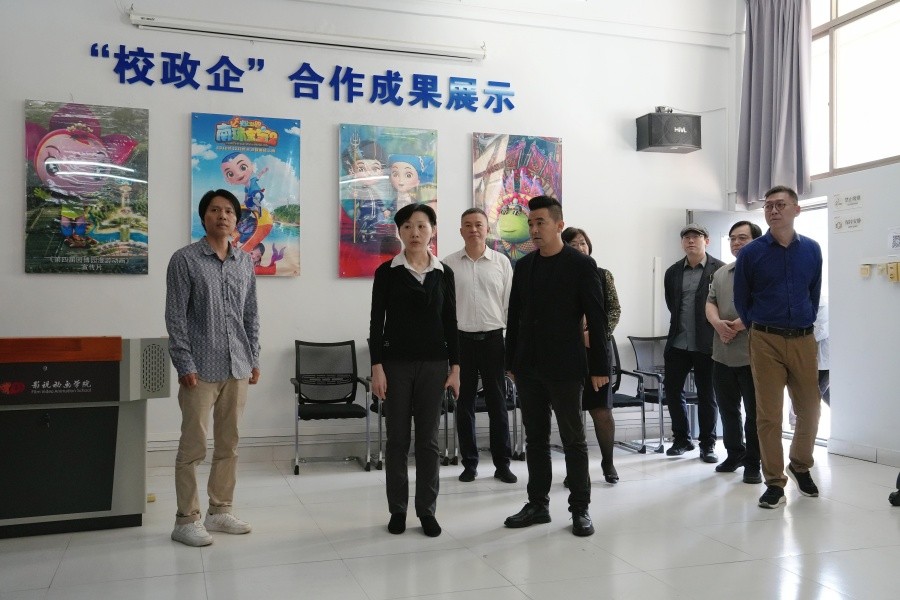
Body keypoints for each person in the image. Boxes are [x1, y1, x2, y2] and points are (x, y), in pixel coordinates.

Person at [503, 196, 609, 537]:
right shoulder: (524, 266)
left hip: (566, 366)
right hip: (529, 366)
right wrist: (510, 361)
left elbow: (597, 318)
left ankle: (580, 508)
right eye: (530, 224)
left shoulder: (581, 265)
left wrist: (600, 366)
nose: (534, 229)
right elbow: (515, 317)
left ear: (559, 225)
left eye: (541, 223)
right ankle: (538, 504)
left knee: (573, 439)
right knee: (535, 439)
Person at [165, 189, 260, 547]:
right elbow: (175, 316)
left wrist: (253, 358)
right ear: (203, 216)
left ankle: (219, 510)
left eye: (229, 211)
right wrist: (183, 362)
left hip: (237, 365)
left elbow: (251, 314)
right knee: (193, 447)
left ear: (237, 220)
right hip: (199, 369)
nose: (223, 216)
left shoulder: (244, 261)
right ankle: (185, 519)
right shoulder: (185, 260)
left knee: (228, 444)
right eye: (215, 210)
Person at [369, 203, 461, 537]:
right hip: (395, 366)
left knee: (428, 441)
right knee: (397, 439)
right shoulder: (387, 272)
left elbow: (450, 322)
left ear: (432, 230)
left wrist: (456, 367)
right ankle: (398, 509)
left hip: (434, 365)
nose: (415, 232)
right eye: (407, 226)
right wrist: (377, 367)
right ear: (399, 232)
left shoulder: (444, 273)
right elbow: (376, 323)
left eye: (422, 225)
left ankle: (426, 511)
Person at [735, 185, 823, 509]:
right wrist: (760, 329)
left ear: (796, 210)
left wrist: (802, 321)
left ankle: (800, 465)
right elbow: (741, 300)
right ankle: (774, 482)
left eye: (781, 205)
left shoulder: (812, 249)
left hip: (803, 338)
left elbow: (813, 292)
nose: (773, 210)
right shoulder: (751, 253)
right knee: (769, 415)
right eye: (769, 205)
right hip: (765, 339)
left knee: (810, 409)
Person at [443, 208, 516, 484]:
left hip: (494, 341)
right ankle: (469, 464)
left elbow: (510, 306)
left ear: (488, 229)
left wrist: (512, 346)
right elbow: (444, 310)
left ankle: (502, 464)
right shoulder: (448, 264)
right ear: (461, 230)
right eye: (468, 225)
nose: (473, 229)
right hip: (461, 343)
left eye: (478, 224)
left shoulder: (501, 263)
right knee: (464, 405)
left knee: (498, 404)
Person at [561, 226, 622, 484]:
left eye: (582, 243)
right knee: (571, 414)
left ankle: (608, 462)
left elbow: (614, 310)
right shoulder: (559, 275)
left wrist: (595, 336)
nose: (579, 248)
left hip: (597, 352)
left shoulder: (602, 274)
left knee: (601, 410)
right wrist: (578, 336)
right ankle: (576, 471)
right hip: (569, 352)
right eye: (573, 244)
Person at [705, 220, 763, 484]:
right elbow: (710, 302)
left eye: (742, 238)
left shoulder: (764, 270)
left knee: (755, 414)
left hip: (754, 356)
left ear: (756, 241)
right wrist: (718, 324)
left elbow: (764, 304)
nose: (736, 243)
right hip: (723, 354)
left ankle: (753, 462)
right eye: (732, 238)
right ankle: (734, 454)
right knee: (728, 410)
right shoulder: (721, 273)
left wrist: (738, 325)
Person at [663, 224, 725, 460]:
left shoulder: (719, 269)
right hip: (678, 341)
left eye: (696, 237)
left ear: (706, 241)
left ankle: (707, 444)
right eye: (686, 237)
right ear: (682, 243)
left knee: (707, 394)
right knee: (672, 391)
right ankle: (682, 439)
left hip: (706, 343)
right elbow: (672, 304)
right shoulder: (673, 272)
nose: (690, 241)